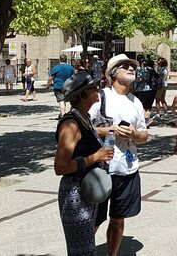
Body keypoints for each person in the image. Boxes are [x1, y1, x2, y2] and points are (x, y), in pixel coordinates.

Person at [88, 54, 148, 256]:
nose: (131, 68)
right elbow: (82, 127)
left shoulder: (136, 102)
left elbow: (144, 135)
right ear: (113, 73)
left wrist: (134, 134)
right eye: (125, 66)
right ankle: (82, 252)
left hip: (127, 169)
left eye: (132, 66)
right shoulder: (99, 98)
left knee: (118, 218)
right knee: (94, 219)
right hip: (102, 169)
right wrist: (109, 130)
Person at [54, 72, 114, 256]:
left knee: (86, 248)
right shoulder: (71, 124)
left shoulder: (85, 119)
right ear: (82, 95)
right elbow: (60, 167)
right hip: (75, 195)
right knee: (81, 251)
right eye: (93, 87)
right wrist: (95, 157)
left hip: (88, 192)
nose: (98, 89)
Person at [47, 54, 76, 120]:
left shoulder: (56, 67)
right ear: (66, 60)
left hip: (58, 86)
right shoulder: (70, 67)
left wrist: (48, 84)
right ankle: (62, 114)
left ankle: (63, 115)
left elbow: (51, 77)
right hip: (68, 86)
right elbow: (74, 77)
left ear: (59, 59)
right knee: (64, 100)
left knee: (61, 101)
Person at [131, 55, 158, 125]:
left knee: (141, 106)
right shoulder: (151, 69)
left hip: (141, 90)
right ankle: (147, 120)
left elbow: (139, 79)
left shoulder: (139, 69)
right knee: (148, 107)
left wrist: (133, 79)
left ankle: (143, 122)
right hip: (151, 89)